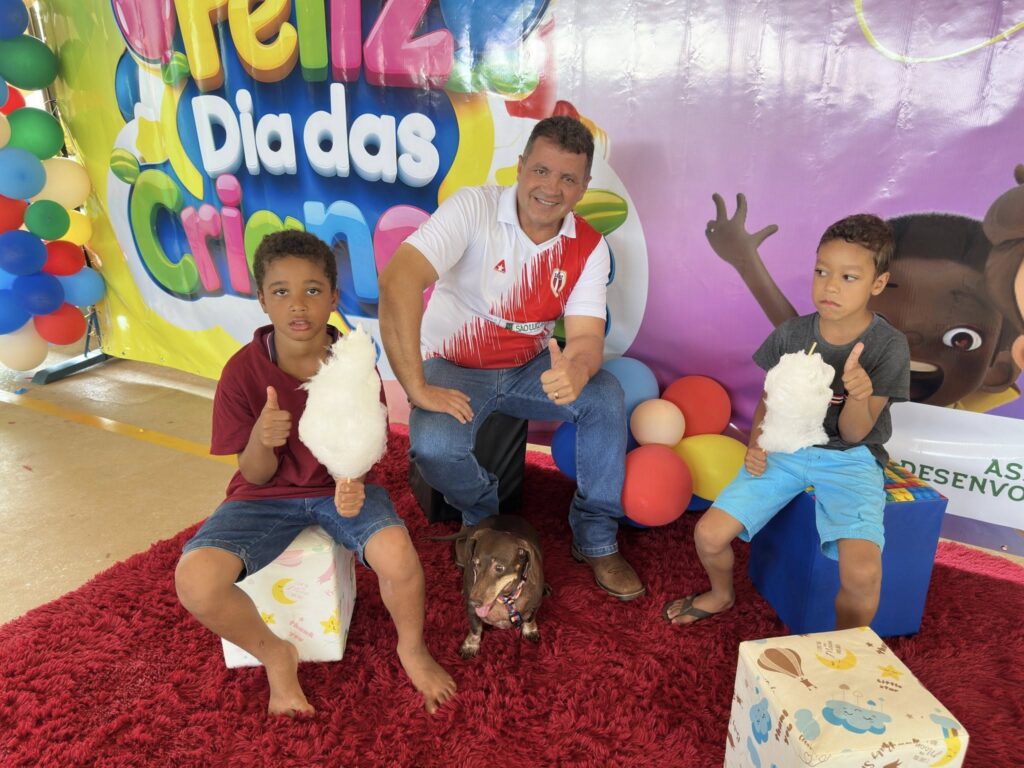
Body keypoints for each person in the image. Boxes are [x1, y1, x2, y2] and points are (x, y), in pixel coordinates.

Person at [174, 231, 456, 716]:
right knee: (195, 580)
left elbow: (364, 449)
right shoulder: (242, 373)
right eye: (281, 291)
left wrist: (352, 483)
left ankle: (411, 648)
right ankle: (276, 654)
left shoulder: (353, 363)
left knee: (399, 557)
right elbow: (254, 475)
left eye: (312, 290)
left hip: (338, 489)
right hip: (263, 497)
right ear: (262, 300)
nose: (298, 304)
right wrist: (262, 438)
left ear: (333, 297)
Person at [377, 115, 644, 601]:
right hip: (452, 366)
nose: (551, 188)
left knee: (605, 396)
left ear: (583, 187)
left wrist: (577, 368)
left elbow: (586, 337)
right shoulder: (473, 207)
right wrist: (416, 386)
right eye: (541, 171)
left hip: (528, 368)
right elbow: (399, 281)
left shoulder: (589, 247)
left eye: (568, 178)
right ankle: (483, 516)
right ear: (520, 167)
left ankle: (596, 538)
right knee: (433, 446)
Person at [664, 214, 910, 630]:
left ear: (878, 283)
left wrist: (860, 394)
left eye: (849, 277)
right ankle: (721, 595)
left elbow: (854, 433)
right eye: (822, 272)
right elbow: (769, 399)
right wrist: (756, 444)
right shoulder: (792, 334)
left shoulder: (888, 346)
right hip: (786, 450)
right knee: (708, 535)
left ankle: (845, 648)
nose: (830, 286)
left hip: (850, 459)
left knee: (863, 574)